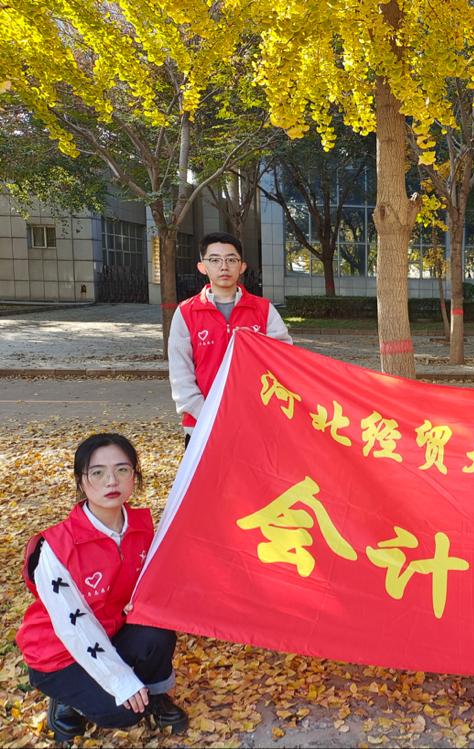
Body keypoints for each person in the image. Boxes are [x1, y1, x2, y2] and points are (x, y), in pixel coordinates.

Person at [16, 433, 188, 743]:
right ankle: (65, 698)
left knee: (157, 632)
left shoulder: (142, 528)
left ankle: (155, 697)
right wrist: (121, 681)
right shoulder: (55, 547)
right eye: (97, 472)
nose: (112, 481)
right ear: (81, 482)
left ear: (134, 476)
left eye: (122, 469)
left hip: (111, 632)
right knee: (123, 712)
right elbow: (75, 625)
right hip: (59, 652)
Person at [169, 231, 293, 444]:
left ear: (242, 266)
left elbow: (284, 361)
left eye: (231, 260)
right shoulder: (186, 312)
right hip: (202, 426)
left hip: (256, 424)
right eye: (214, 260)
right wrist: (208, 415)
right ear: (202, 266)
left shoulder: (263, 310)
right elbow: (181, 376)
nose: (224, 266)